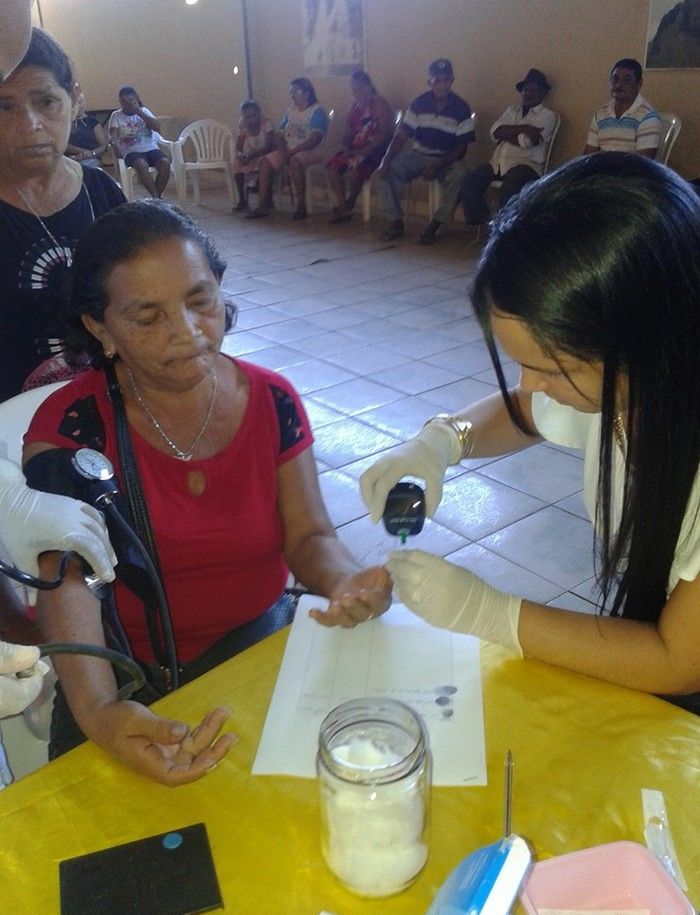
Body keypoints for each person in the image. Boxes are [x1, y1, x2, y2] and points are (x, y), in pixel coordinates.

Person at [22, 199, 392, 784]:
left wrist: (345, 581)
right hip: (125, 677)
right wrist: (99, 712)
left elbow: (309, 536)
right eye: (148, 317)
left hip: (257, 646)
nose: (188, 333)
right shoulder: (73, 428)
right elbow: (66, 580)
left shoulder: (272, 399)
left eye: (200, 301)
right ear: (100, 327)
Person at [356, 153, 700, 714]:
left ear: (644, 338)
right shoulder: (628, 384)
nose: (531, 385)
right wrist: (441, 442)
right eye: (522, 363)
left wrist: (493, 615)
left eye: (553, 369)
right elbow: (523, 410)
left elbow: (678, 661)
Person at [0, 27, 125, 404]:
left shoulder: (101, 193)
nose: (30, 125)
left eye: (46, 101)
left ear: (73, 99)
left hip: (107, 403)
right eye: (4, 106)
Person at [378, 58, 474, 245]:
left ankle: (436, 225)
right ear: (429, 82)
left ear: (452, 81)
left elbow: (461, 149)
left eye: (446, 79)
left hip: (447, 159)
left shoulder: (461, 107)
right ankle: (396, 222)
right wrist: (385, 160)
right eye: (437, 80)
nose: (442, 84)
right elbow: (401, 136)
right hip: (418, 156)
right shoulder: (418, 104)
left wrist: (438, 165)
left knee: (461, 174)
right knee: (389, 169)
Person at [460, 68, 557, 226]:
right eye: (526, 90)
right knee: (469, 182)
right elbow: (494, 132)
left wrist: (507, 133)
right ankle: (488, 227)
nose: (528, 93)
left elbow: (526, 142)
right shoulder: (512, 110)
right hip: (497, 165)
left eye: (533, 90)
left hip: (525, 166)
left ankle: (505, 231)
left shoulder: (547, 115)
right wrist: (525, 128)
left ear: (543, 94)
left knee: (509, 189)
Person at [247, 77, 329, 220]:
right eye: (291, 92)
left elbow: (314, 139)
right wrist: (284, 151)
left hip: (311, 151)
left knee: (294, 162)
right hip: (288, 149)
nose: (292, 95)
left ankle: (301, 205)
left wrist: (292, 153)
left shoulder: (317, 112)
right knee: (265, 162)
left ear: (307, 93)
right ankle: (263, 204)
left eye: (296, 91)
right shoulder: (289, 112)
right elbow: (279, 135)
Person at [325, 70, 392, 224]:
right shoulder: (354, 108)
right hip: (356, 149)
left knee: (357, 168)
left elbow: (384, 133)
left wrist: (365, 150)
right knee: (332, 167)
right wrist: (346, 148)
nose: (357, 92)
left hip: (375, 150)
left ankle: (350, 202)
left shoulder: (380, 103)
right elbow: (347, 134)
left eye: (361, 87)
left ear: (369, 86)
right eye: (354, 88)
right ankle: (343, 206)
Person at [584, 58, 660, 159]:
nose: (618, 84)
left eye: (626, 80)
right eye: (615, 79)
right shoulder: (600, 115)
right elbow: (588, 157)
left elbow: (643, 164)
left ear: (639, 83)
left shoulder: (648, 117)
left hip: (630, 169)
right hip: (603, 168)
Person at [108, 85, 171, 199]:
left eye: (130, 100)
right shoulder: (116, 115)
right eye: (123, 102)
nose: (127, 104)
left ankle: (156, 198)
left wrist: (138, 111)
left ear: (137, 99)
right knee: (141, 164)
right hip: (131, 151)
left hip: (151, 149)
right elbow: (113, 136)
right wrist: (115, 145)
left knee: (165, 163)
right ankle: (156, 198)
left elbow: (157, 128)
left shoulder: (144, 111)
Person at [232, 99, 274, 213]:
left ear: (258, 113)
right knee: (237, 163)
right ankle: (242, 201)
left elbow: (269, 147)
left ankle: (265, 200)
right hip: (251, 155)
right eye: (246, 116)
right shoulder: (242, 125)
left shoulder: (266, 124)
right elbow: (238, 146)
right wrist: (240, 156)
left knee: (264, 163)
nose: (250, 119)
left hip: (265, 154)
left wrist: (252, 156)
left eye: (253, 115)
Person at [65, 90, 107, 169]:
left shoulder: (93, 121)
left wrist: (91, 153)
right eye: (75, 103)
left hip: (91, 159)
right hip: (71, 159)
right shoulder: (66, 122)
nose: (79, 106)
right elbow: (64, 144)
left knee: (88, 167)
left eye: (80, 102)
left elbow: (103, 146)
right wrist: (81, 151)